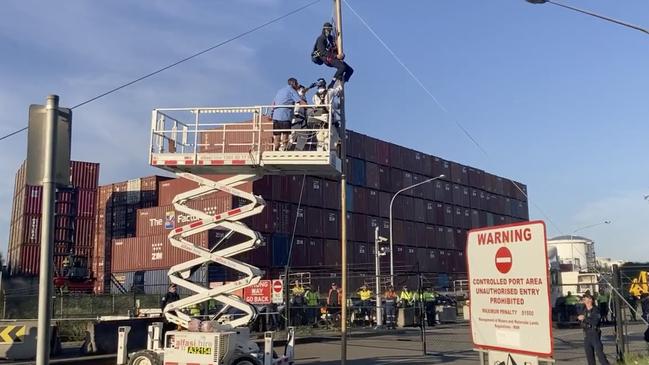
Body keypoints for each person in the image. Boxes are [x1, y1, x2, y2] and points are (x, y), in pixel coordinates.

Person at [312, 22, 353, 88]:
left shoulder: (330, 38)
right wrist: (336, 56)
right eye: (329, 30)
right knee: (342, 67)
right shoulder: (321, 38)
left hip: (332, 57)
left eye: (330, 30)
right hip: (326, 58)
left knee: (350, 70)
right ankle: (331, 84)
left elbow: (334, 46)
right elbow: (322, 52)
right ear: (325, 30)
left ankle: (341, 83)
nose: (330, 31)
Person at [271, 78, 306, 151]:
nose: (298, 85)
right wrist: (311, 108)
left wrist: (271, 114)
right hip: (285, 116)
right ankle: (285, 149)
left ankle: (276, 149)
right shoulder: (292, 91)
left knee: (277, 135)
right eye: (297, 83)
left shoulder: (280, 90)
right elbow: (300, 101)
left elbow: (273, 103)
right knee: (285, 134)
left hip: (276, 116)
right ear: (293, 84)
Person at [578, 292, 611, 365]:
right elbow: (580, 320)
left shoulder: (595, 310)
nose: (583, 300)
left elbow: (595, 321)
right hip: (586, 334)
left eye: (585, 299)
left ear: (590, 300)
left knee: (600, 355)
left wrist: (585, 318)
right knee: (589, 356)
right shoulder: (584, 310)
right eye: (583, 299)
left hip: (594, 333)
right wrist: (580, 319)